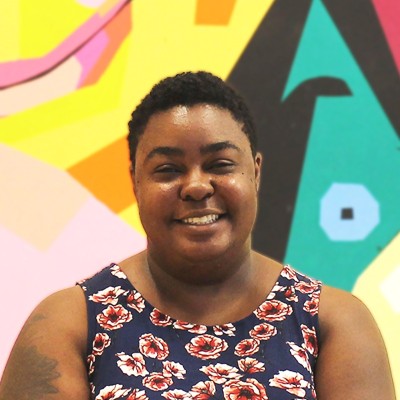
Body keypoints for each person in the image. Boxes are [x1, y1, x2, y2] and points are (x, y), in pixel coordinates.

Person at [0, 71, 395, 400]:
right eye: (168, 170)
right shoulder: (69, 324)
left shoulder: (332, 322)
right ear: (135, 182)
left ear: (255, 173)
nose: (196, 186)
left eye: (220, 164)